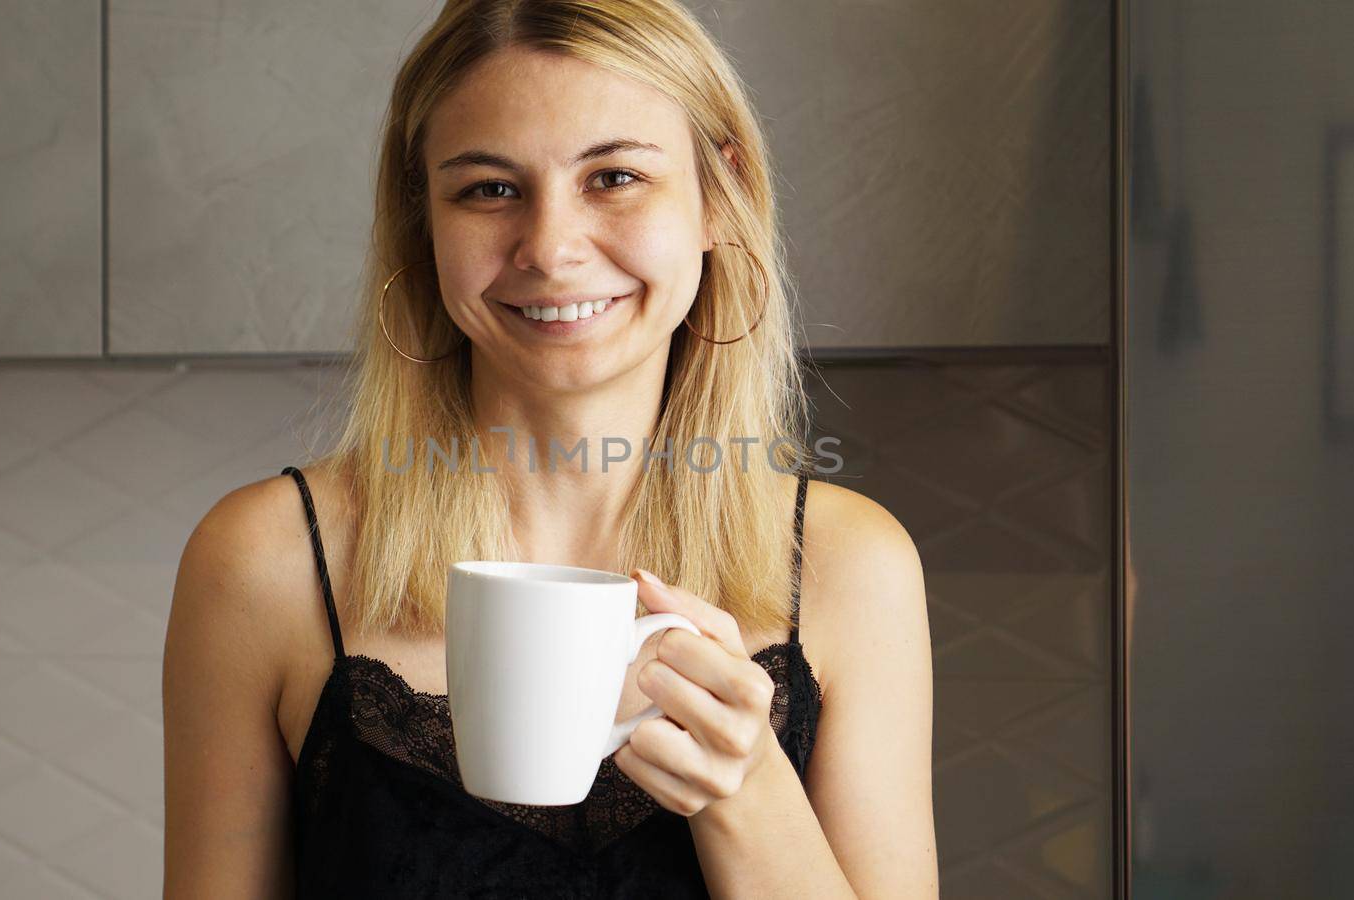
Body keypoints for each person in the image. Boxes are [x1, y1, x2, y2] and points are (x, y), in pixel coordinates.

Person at [162, 0, 937, 896]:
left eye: (613, 177)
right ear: (425, 224)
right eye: (490, 188)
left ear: (718, 197)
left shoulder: (852, 567)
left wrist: (744, 787)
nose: (552, 249)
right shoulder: (263, 563)